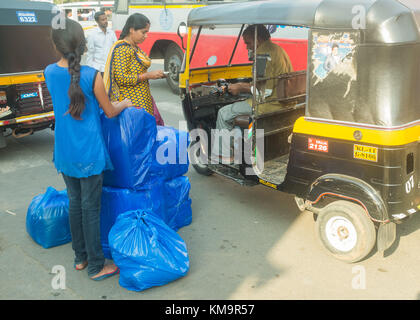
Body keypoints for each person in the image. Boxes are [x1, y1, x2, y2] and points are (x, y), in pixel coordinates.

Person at [44, 18, 133, 281]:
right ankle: (97, 265)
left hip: (65, 151)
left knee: (75, 203)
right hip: (89, 153)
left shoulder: (48, 72)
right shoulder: (93, 76)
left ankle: (80, 258)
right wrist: (125, 102)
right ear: (82, 44)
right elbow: (109, 110)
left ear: (56, 46)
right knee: (90, 207)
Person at [214, 24, 293, 163]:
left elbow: (262, 92)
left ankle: (224, 155)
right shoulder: (279, 50)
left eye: (248, 43)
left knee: (223, 113)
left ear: (258, 39)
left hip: (269, 104)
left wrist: (240, 87)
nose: (247, 47)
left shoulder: (262, 56)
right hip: (282, 102)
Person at [103, 13, 166, 120]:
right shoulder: (122, 49)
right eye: (143, 32)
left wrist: (155, 75)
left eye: (147, 32)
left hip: (143, 101)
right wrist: (147, 75)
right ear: (132, 30)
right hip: (132, 103)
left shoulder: (134, 47)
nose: (146, 36)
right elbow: (121, 78)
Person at [86, 10, 117, 75]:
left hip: (111, 69)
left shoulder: (111, 33)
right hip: (98, 69)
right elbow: (90, 53)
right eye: (103, 20)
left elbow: (116, 49)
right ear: (97, 21)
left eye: (106, 19)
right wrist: (89, 70)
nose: (105, 21)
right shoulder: (92, 34)